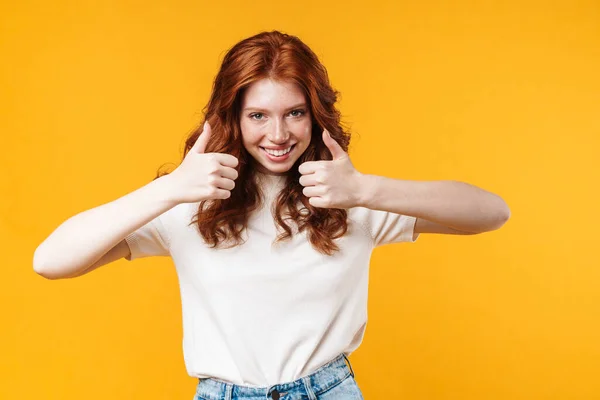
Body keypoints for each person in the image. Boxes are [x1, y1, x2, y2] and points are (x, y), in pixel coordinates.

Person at [33, 30, 510, 400]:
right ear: (233, 117)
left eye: (295, 113)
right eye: (258, 115)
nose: (278, 133)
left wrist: (365, 188)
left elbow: (491, 212)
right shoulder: (189, 203)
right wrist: (170, 188)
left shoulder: (346, 197)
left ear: (315, 114)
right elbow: (50, 261)